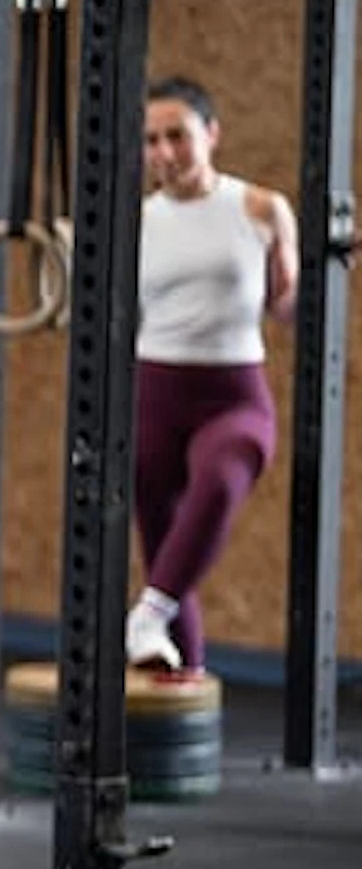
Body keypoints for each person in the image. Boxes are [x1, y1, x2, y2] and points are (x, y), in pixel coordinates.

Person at [128, 78, 300, 674]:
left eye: (177, 136)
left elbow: (287, 308)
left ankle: (148, 616)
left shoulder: (261, 208)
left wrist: (323, 279)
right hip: (155, 392)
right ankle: (180, 679)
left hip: (233, 396)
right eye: (152, 140)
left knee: (222, 481)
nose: (165, 152)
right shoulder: (135, 223)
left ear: (212, 134)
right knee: (164, 544)